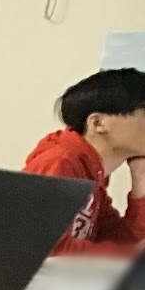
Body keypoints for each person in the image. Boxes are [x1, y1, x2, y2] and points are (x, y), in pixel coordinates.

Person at [23, 68, 145, 257]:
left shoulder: (93, 172)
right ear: (97, 123)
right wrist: (131, 254)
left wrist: (140, 181)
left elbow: (121, 241)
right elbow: (43, 248)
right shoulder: (60, 161)